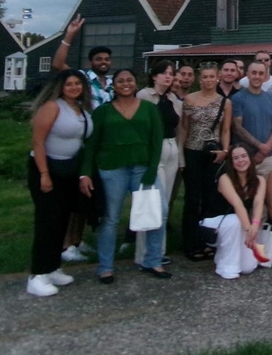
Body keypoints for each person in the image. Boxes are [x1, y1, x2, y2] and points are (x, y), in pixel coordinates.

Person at [79, 68, 169, 283]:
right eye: (120, 81)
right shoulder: (102, 112)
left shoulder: (149, 109)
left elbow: (157, 143)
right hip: (111, 170)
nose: (125, 84)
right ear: (114, 85)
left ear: (135, 84)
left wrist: (151, 170)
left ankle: (153, 260)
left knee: (159, 213)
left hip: (142, 168)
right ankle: (106, 267)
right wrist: (85, 173)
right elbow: (91, 146)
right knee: (110, 219)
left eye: (129, 80)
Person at [51, 16, 113, 263]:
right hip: (83, 142)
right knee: (75, 198)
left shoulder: (111, 84)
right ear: (91, 62)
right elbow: (58, 65)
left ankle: (78, 240)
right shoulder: (83, 79)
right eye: (99, 59)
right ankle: (66, 244)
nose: (103, 63)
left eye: (107, 59)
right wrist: (69, 36)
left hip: (105, 146)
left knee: (90, 198)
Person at [26, 69, 93, 296]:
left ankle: (52, 267)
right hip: (47, 169)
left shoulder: (80, 109)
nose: (74, 87)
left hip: (68, 171)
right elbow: (38, 141)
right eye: (69, 84)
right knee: (47, 221)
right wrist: (44, 174)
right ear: (60, 87)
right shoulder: (52, 106)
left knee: (61, 220)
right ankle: (37, 275)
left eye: (77, 83)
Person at [179, 63, 232, 261]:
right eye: (205, 77)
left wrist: (225, 151)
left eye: (212, 76)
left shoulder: (224, 102)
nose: (209, 80)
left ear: (217, 78)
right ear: (200, 79)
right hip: (192, 151)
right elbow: (184, 128)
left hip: (214, 153)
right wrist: (180, 154)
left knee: (211, 198)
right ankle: (191, 243)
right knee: (193, 199)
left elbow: (225, 129)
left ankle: (208, 240)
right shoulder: (189, 100)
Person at [134, 59, 183, 266]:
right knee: (153, 204)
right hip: (154, 152)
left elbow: (180, 129)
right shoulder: (144, 96)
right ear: (154, 76)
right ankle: (143, 253)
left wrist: (180, 156)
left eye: (171, 73)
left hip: (171, 149)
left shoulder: (175, 100)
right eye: (164, 73)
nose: (168, 76)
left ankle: (159, 251)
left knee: (166, 203)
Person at [198, 144, 266, 279]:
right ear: (231, 162)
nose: (240, 161)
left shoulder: (259, 180)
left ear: (250, 158)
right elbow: (237, 204)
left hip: (240, 222)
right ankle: (226, 267)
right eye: (235, 158)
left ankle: (223, 254)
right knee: (235, 220)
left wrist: (255, 226)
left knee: (248, 267)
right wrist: (248, 230)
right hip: (216, 222)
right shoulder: (225, 179)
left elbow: (258, 203)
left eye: (244, 156)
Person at [230, 61, 272, 178]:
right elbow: (237, 127)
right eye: (254, 73)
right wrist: (259, 146)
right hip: (244, 157)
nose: (257, 76)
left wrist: (265, 150)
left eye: (260, 73)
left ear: (265, 77)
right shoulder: (238, 98)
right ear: (247, 74)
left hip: (268, 157)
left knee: (269, 194)